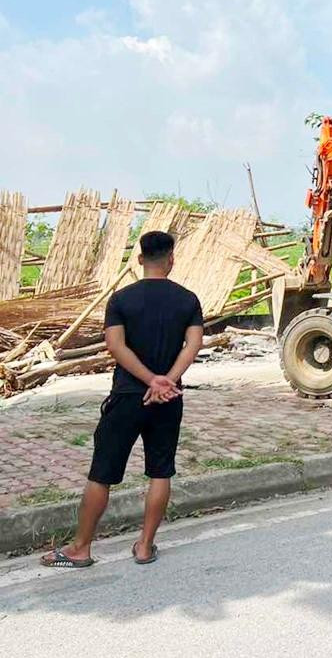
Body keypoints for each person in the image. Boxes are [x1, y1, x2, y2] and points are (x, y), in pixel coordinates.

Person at [40, 231, 204, 568]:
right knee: (160, 472)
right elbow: (193, 345)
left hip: (127, 396)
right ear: (171, 260)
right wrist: (167, 381)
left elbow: (115, 346)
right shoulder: (188, 300)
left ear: (140, 259)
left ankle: (80, 549)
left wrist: (149, 380)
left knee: (102, 473)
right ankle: (144, 546)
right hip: (168, 399)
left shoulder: (121, 299)